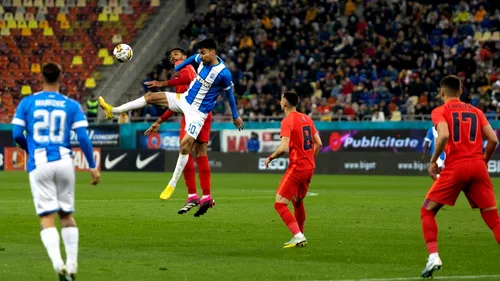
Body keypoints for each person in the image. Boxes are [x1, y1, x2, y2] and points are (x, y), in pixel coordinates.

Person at [98, 38, 244, 216]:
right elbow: (192, 58)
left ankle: (172, 184)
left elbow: (230, 94)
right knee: (151, 97)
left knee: (185, 145)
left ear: (213, 53)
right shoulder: (198, 59)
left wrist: (235, 115)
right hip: (183, 100)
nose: (201, 56)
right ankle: (113, 110)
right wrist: (178, 67)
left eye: (204, 53)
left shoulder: (223, 73)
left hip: (198, 114)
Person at [11, 62, 100, 281]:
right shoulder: (71, 105)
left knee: (47, 217)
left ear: (41, 76)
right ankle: (72, 265)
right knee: (67, 215)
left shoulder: (28, 102)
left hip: (39, 162)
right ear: (61, 77)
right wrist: (92, 165)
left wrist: (28, 148)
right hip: (64, 161)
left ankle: (58, 264)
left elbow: (16, 134)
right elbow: (82, 138)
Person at [421, 75, 500, 278]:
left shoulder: (440, 111)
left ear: (442, 92)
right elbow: (492, 139)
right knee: (493, 218)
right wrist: (483, 161)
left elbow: (444, 135)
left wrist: (433, 162)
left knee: (427, 211)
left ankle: (434, 256)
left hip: (456, 167)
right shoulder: (476, 111)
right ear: (461, 91)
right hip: (478, 166)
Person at [143, 48, 214, 216]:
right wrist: (158, 121)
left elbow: (187, 80)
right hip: (192, 115)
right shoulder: (180, 79)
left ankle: (203, 195)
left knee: (197, 152)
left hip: (200, 113)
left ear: (184, 57)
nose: (172, 55)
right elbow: (176, 105)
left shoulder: (187, 70)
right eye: (171, 54)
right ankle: (196, 196)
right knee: (188, 151)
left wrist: (162, 84)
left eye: (176, 53)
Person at [264, 92, 322, 248]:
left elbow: (283, 148)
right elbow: (319, 143)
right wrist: (310, 158)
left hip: (297, 167)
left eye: (281, 99)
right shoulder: (307, 119)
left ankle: (298, 236)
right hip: (310, 167)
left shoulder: (287, 121)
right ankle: (300, 235)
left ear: (284, 104)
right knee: (298, 201)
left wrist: (270, 157)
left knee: (279, 203)